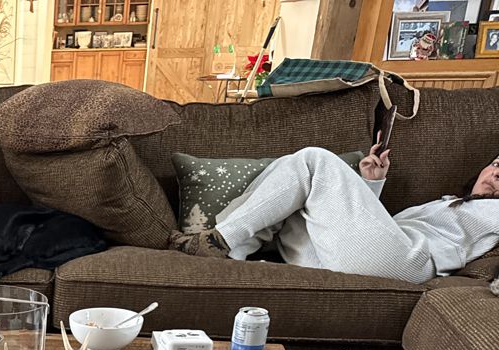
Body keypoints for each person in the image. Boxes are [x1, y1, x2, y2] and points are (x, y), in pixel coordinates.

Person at [171, 138, 499, 283]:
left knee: (314, 161)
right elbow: (367, 236)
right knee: (291, 191)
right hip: (374, 257)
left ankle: (217, 240)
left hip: (411, 262)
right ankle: (229, 256)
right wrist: (371, 184)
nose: (497, 174)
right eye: (496, 164)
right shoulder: (450, 202)